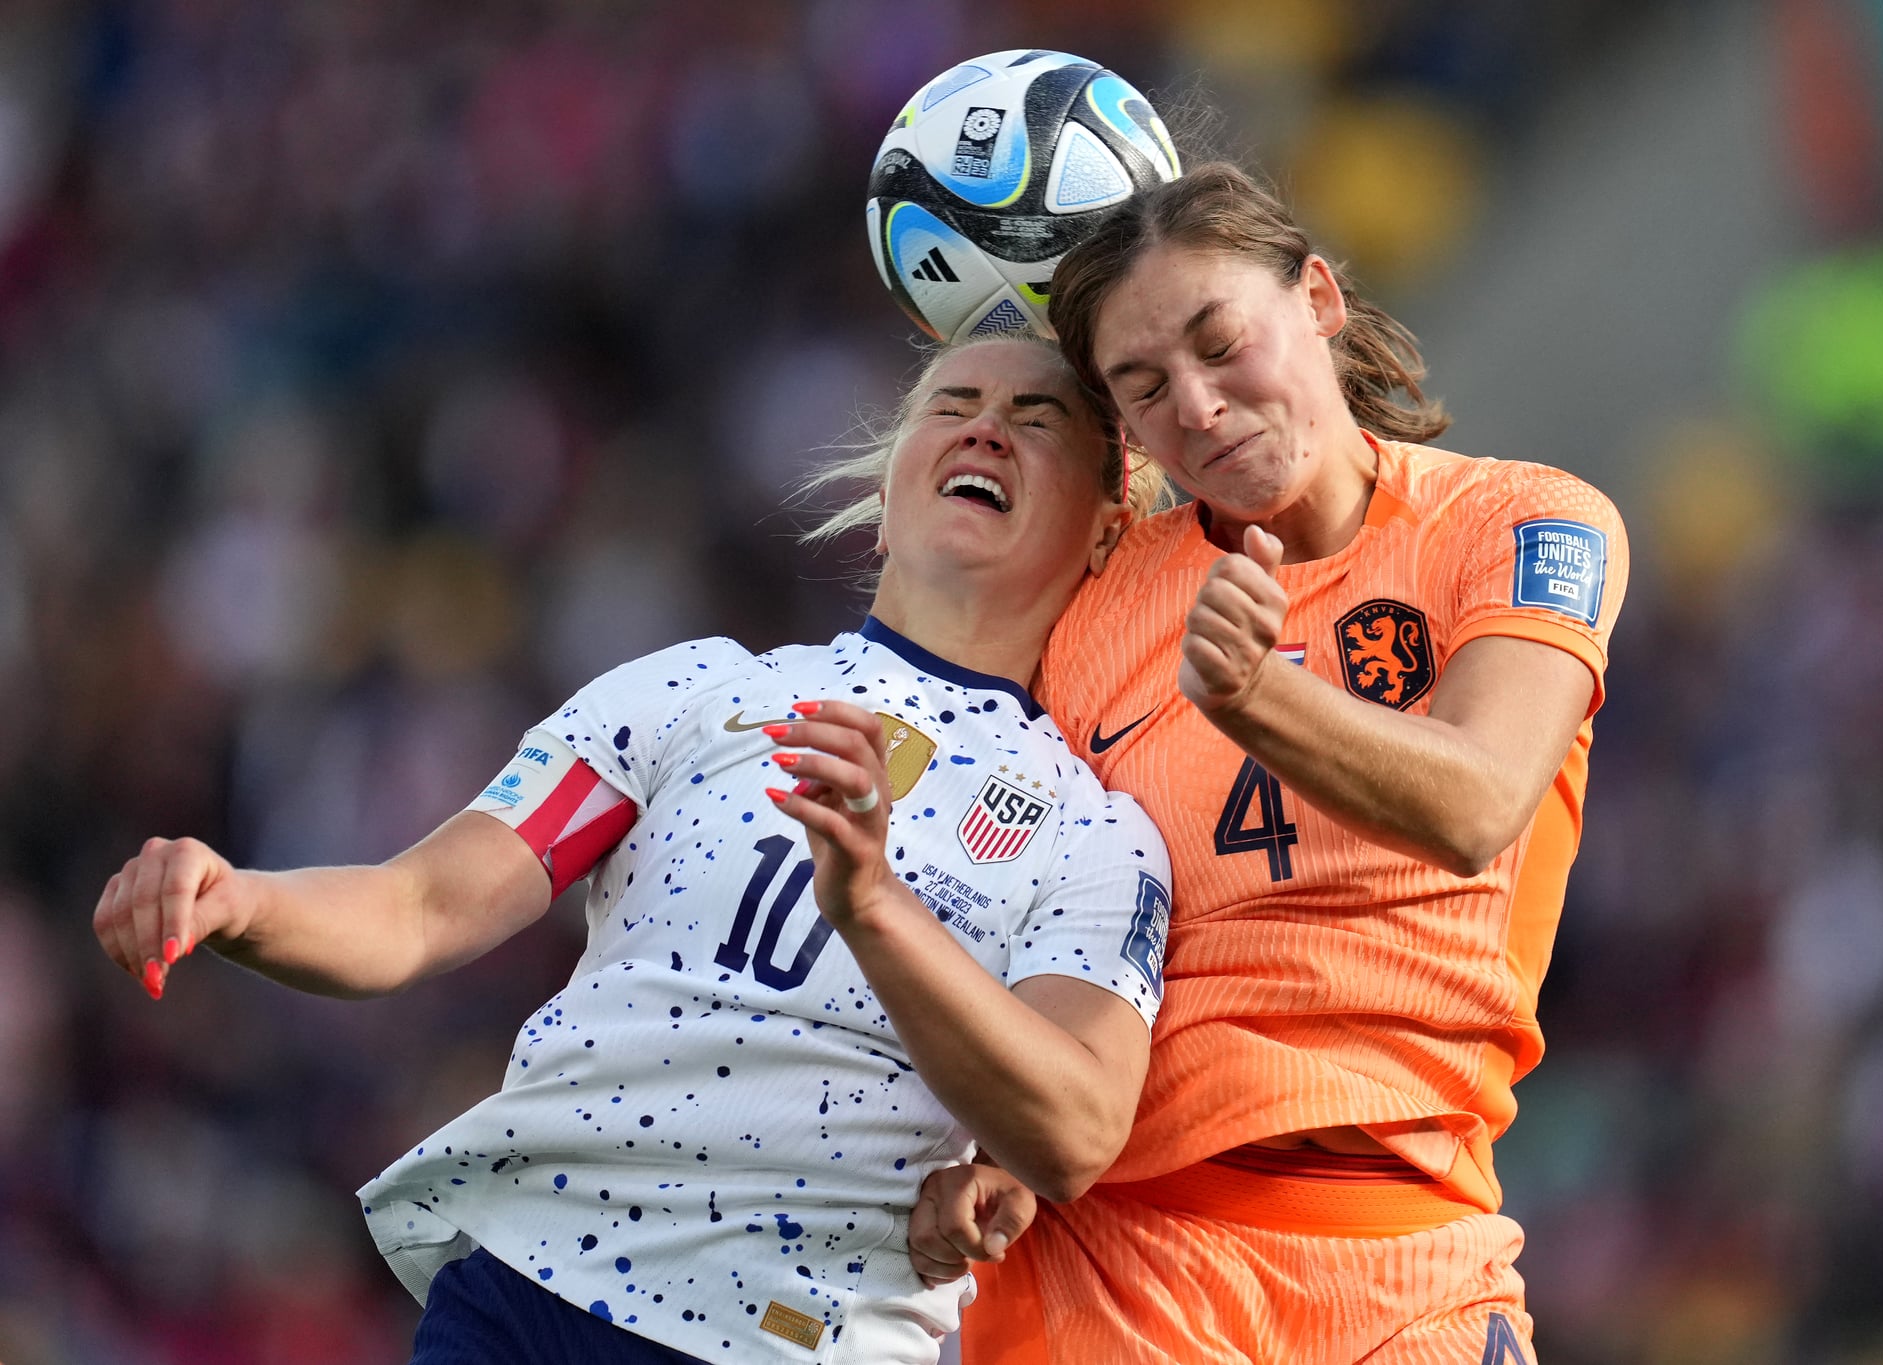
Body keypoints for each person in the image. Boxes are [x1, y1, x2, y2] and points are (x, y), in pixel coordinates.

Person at [91, 334, 1177, 1365]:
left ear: (1104, 531)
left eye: (1035, 420)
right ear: (886, 500)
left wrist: (877, 911)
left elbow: (1073, 1127)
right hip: (531, 1292)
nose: (984, 430)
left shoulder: (1099, 836)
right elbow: (419, 906)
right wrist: (241, 903)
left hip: (788, 1338)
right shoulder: (696, 690)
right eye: (952, 405)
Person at [911, 163, 1631, 1364]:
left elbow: (1477, 802)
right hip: (1115, 1264)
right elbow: (1011, 899)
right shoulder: (1092, 607)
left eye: (1218, 343)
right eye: (1141, 388)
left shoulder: (1520, 523)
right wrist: (967, 1150)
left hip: (1407, 1262)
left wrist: (1257, 698)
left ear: (1316, 298)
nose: (1193, 404)